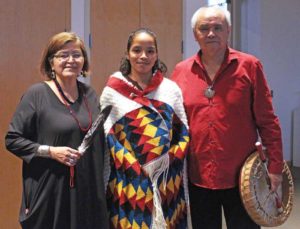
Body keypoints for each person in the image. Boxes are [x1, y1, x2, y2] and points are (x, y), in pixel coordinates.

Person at [171, 6, 283, 229]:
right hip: (199, 177)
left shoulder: (249, 66)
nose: (211, 33)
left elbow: (268, 121)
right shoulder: (181, 72)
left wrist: (275, 168)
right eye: (204, 28)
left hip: (243, 179)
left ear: (228, 31)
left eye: (217, 27)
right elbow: (174, 123)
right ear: (195, 34)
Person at [5, 32, 109, 229]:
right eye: (63, 55)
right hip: (50, 193)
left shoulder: (90, 94)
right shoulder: (36, 94)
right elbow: (12, 139)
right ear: (51, 62)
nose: (71, 60)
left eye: (77, 55)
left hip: (86, 194)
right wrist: (51, 152)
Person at [100, 28, 192, 229]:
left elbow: (182, 132)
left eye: (150, 51)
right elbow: (109, 137)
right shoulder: (112, 92)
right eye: (137, 50)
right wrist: (133, 167)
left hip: (167, 181)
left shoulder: (170, 90)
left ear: (157, 54)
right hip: (127, 180)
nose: (143, 56)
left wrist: (167, 161)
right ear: (127, 53)